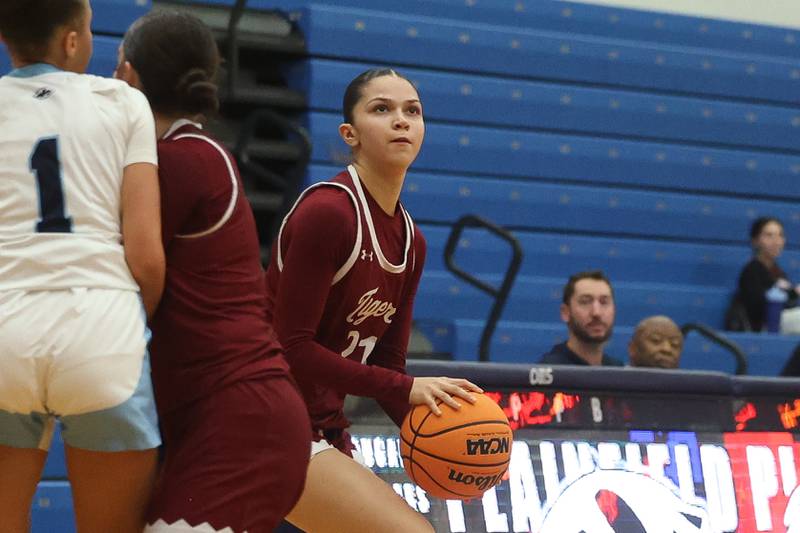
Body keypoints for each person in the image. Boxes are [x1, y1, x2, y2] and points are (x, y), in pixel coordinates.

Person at [113, 10, 312, 533]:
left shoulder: (184, 159)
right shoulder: (186, 155)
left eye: (116, 71)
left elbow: (135, 275)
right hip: (221, 417)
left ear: (128, 76)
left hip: (240, 419)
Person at [264, 68, 482, 532]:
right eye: (382, 109)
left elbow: (388, 362)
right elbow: (292, 348)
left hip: (320, 426)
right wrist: (404, 390)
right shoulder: (328, 213)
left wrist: (455, 444)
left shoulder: (411, 239)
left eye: (412, 111)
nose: (401, 120)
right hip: (259, 413)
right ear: (351, 134)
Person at [0, 1, 165, 532]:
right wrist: (133, 325)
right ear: (72, 41)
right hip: (103, 328)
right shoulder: (122, 101)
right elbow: (145, 253)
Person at [539, 271, 624, 366]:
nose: (596, 312)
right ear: (565, 312)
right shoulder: (552, 372)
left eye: (604, 302)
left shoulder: (617, 370)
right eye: (585, 302)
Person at [737, 217, 799, 332]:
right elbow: (757, 307)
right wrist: (792, 293)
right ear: (755, 240)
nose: (776, 241)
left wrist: (793, 294)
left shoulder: (779, 272)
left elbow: (788, 302)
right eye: (769, 235)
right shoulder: (752, 270)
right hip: (764, 326)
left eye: (780, 235)